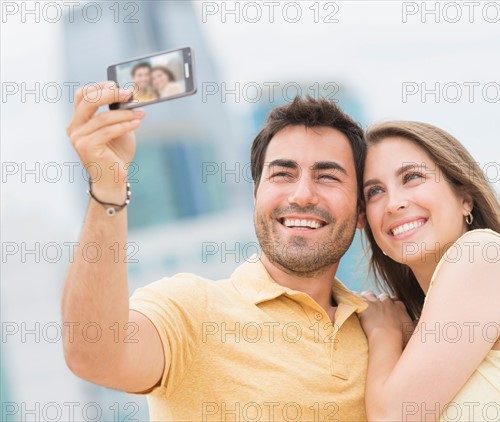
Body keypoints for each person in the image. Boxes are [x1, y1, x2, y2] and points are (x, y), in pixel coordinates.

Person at [62, 83, 369, 421]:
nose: (302, 194)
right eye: (282, 174)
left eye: (327, 177)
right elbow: (95, 354)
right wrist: (108, 185)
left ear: (360, 212)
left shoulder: (381, 327)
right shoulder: (192, 308)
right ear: (256, 195)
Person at [358, 121, 500, 421]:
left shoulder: (481, 255)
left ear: (465, 198)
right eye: (375, 192)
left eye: (412, 177)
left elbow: (394, 417)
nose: (394, 203)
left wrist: (383, 332)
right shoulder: (429, 338)